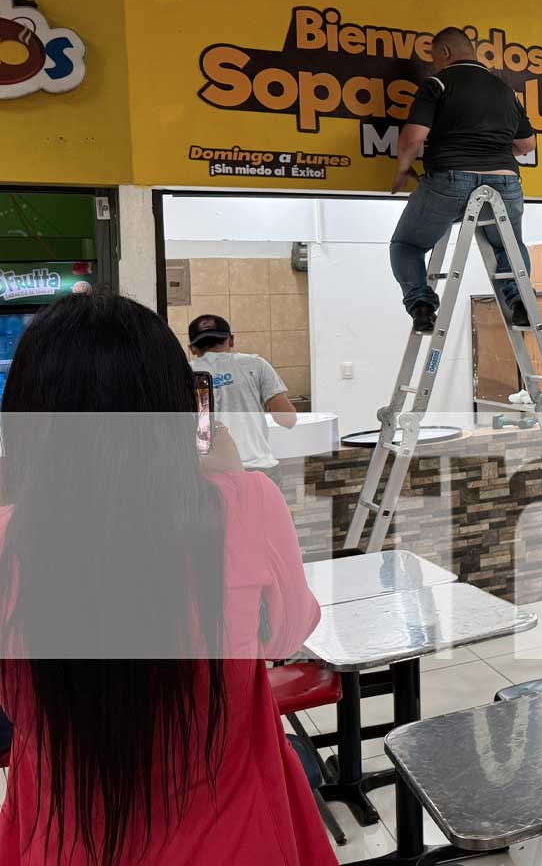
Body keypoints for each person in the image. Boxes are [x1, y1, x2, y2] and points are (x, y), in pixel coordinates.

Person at [0, 294, 330, 866]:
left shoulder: (9, 537)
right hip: (235, 833)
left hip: (60, 837)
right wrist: (233, 478)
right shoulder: (247, 504)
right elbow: (286, 636)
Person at [389, 26, 538, 333]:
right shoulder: (505, 90)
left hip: (450, 180)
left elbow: (412, 138)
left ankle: (422, 306)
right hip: (505, 183)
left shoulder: (438, 84)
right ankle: (521, 303)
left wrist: (403, 169)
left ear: (445, 52)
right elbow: (527, 144)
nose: (434, 64)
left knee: (406, 244)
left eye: (434, 57)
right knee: (507, 245)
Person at [188, 313, 297, 470]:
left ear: (192, 348)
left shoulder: (185, 373)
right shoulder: (255, 364)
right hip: (259, 467)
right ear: (231, 340)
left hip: (211, 471)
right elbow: (287, 420)